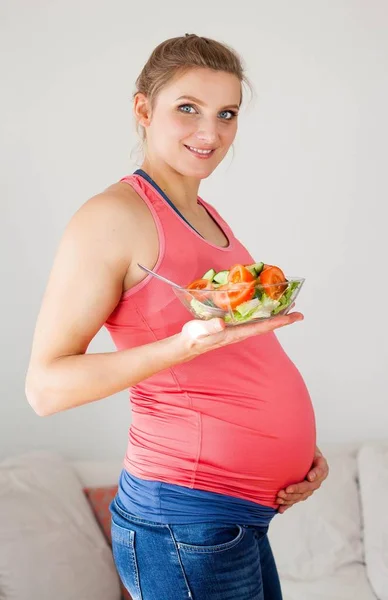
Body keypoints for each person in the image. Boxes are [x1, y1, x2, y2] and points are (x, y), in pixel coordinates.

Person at [25, 34, 329, 600]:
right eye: (187, 108)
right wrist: (182, 347)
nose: (209, 133)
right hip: (184, 520)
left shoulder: (206, 214)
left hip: (232, 516)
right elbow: (46, 388)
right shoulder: (112, 218)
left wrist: (296, 450)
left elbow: (236, 355)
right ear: (143, 109)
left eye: (226, 114)